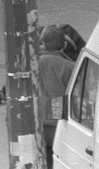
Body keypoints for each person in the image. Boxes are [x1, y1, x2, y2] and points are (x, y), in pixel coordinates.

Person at [38, 26, 76, 168]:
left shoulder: (32, 64)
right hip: (57, 126)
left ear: (43, 43)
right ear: (64, 45)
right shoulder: (68, 67)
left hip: (37, 124)